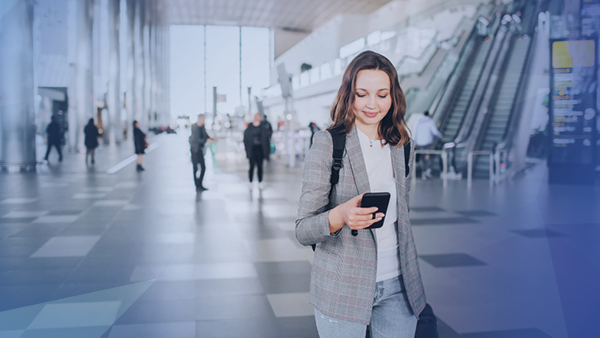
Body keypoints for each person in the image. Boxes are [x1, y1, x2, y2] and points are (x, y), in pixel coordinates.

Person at [295, 50, 426, 338]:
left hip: (399, 284)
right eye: (362, 94)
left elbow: (401, 216)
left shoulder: (402, 145)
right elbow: (302, 230)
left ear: (393, 97)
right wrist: (340, 216)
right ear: (349, 95)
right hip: (343, 286)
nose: (372, 104)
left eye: (382, 94)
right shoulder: (329, 143)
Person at [243, 113, 272, 191]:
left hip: (260, 150)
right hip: (252, 150)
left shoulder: (263, 127)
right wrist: (247, 150)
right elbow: (246, 139)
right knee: (251, 167)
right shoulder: (249, 127)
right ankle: (250, 183)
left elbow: (267, 138)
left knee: (260, 167)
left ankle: (260, 182)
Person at [412, 111, 443, 180]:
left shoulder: (418, 122)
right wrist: (441, 136)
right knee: (431, 155)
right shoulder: (430, 122)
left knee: (422, 157)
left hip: (420, 143)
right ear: (429, 115)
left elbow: (415, 133)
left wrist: (415, 142)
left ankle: (423, 172)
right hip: (428, 143)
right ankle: (428, 170)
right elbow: (435, 132)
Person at [189, 114, 216, 191]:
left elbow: (206, 136)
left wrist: (212, 139)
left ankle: (200, 184)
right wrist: (205, 140)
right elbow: (196, 139)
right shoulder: (194, 127)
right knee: (195, 168)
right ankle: (197, 185)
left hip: (200, 150)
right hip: (195, 150)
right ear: (200, 118)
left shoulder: (202, 127)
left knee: (203, 168)